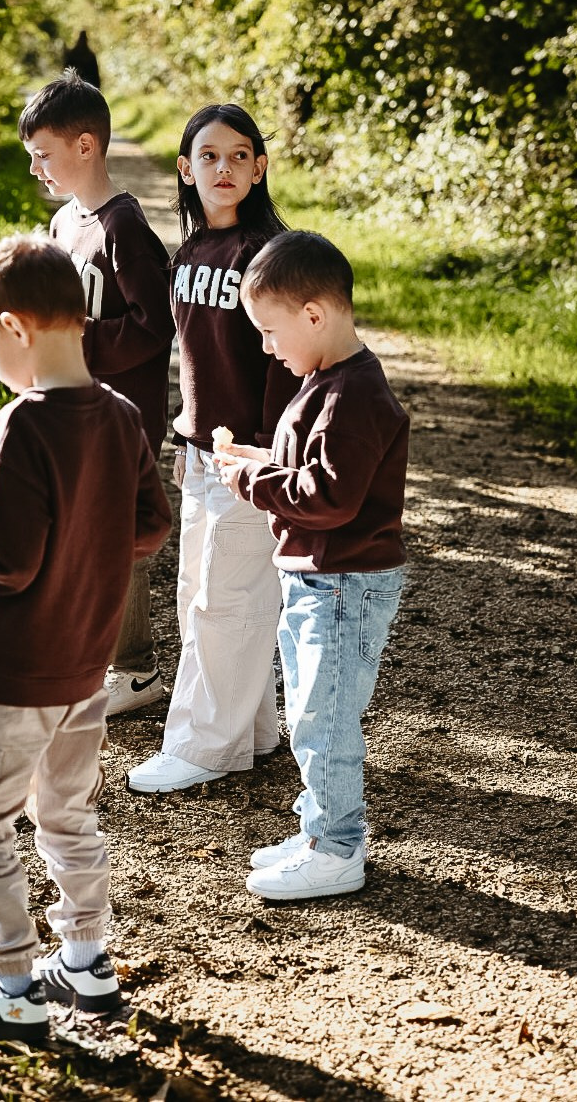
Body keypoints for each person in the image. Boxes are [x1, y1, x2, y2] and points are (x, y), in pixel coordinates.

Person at [0, 234, 172, 1039]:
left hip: (13, 675)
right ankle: (87, 963)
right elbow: (150, 527)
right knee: (67, 813)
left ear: (15, 327)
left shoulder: (18, 428)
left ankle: (12, 985)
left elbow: (5, 563)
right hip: (86, 670)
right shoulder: (122, 416)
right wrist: (89, 546)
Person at [215, 230, 409, 900]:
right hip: (319, 578)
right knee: (309, 713)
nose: (267, 347)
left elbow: (329, 497)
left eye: (270, 332)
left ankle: (338, 849)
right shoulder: (326, 381)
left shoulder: (354, 396)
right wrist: (264, 461)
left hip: (342, 583)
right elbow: (312, 467)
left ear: (315, 315)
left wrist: (252, 482)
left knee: (325, 720)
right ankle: (318, 827)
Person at [126, 105, 298, 795]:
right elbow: (199, 363)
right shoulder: (191, 252)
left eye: (238, 156)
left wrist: (267, 456)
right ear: (184, 168)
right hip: (203, 452)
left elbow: (287, 366)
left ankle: (203, 747)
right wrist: (185, 436)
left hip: (249, 459)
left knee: (225, 601)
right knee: (201, 593)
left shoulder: (271, 256)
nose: (223, 168)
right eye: (208, 156)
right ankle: (250, 730)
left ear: (259, 167)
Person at [18, 71, 174, 714]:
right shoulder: (64, 222)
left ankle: (134, 669)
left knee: (118, 537)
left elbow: (156, 324)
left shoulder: (124, 228)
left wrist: (80, 337)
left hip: (123, 418)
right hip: (73, 407)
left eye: (43, 155)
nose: (36, 169)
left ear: (86, 146)